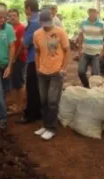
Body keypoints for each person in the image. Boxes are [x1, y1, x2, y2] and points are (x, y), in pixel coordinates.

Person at [33, 9, 70, 140]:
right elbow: (37, 51)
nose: (46, 25)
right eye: (43, 23)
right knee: (43, 100)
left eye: (47, 22)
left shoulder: (60, 32)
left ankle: (51, 128)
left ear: (52, 20)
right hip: (42, 71)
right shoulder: (37, 34)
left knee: (52, 101)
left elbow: (67, 50)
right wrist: (37, 66)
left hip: (56, 72)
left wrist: (63, 68)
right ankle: (45, 124)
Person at [16, 0, 42, 124]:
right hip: (44, 59)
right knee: (39, 87)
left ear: (29, 9)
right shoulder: (43, 20)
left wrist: (22, 40)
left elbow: (26, 43)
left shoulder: (33, 22)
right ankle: (39, 112)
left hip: (33, 59)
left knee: (31, 88)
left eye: (25, 8)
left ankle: (30, 115)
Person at [77, 8, 104, 88]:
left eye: (94, 12)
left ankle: (94, 88)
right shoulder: (83, 22)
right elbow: (81, 35)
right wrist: (79, 49)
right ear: (88, 13)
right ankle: (87, 86)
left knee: (95, 73)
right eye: (90, 12)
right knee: (81, 71)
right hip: (85, 51)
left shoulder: (102, 23)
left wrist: (103, 51)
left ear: (97, 13)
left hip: (96, 53)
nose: (92, 13)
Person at [8, 9, 27, 113]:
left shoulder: (21, 28)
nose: (12, 17)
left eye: (14, 15)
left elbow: (21, 45)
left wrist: (15, 57)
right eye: (10, 16)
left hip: (19, 59)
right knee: (15, 82)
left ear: (18, 16)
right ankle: (16, 104)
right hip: (12, 59)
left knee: (19, 83)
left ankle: (19, 106)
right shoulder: (10, 28)